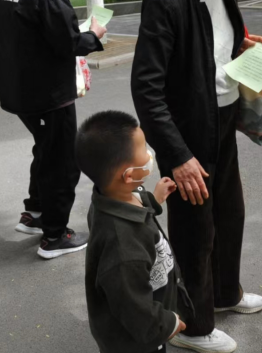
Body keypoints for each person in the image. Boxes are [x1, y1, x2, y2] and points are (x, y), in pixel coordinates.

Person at [131, 0, 262, 353]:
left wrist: (240, 45)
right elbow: (147, 88)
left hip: (221, 114)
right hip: (188, 127)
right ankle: (193, 325)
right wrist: (178, 156)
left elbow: (209, 44)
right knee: (195, 228)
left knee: (230, 213)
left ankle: (225, 293)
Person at [0, 0, 107, 259]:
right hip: (47, 93)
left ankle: (35, 213)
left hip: (18, 88)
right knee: (62, 160)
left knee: (46, 149)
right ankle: (54, 235)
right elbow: (68, 42)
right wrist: (94, 35)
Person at [75, 110, 193, 353]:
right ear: (129, 175)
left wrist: (154, 200)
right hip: (136, 341)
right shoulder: (124, 250)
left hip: (148, 313)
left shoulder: (112, 196)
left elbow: (136, 201)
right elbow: (135, 309)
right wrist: (168, 324)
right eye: (144, 151)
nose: (149, 155)